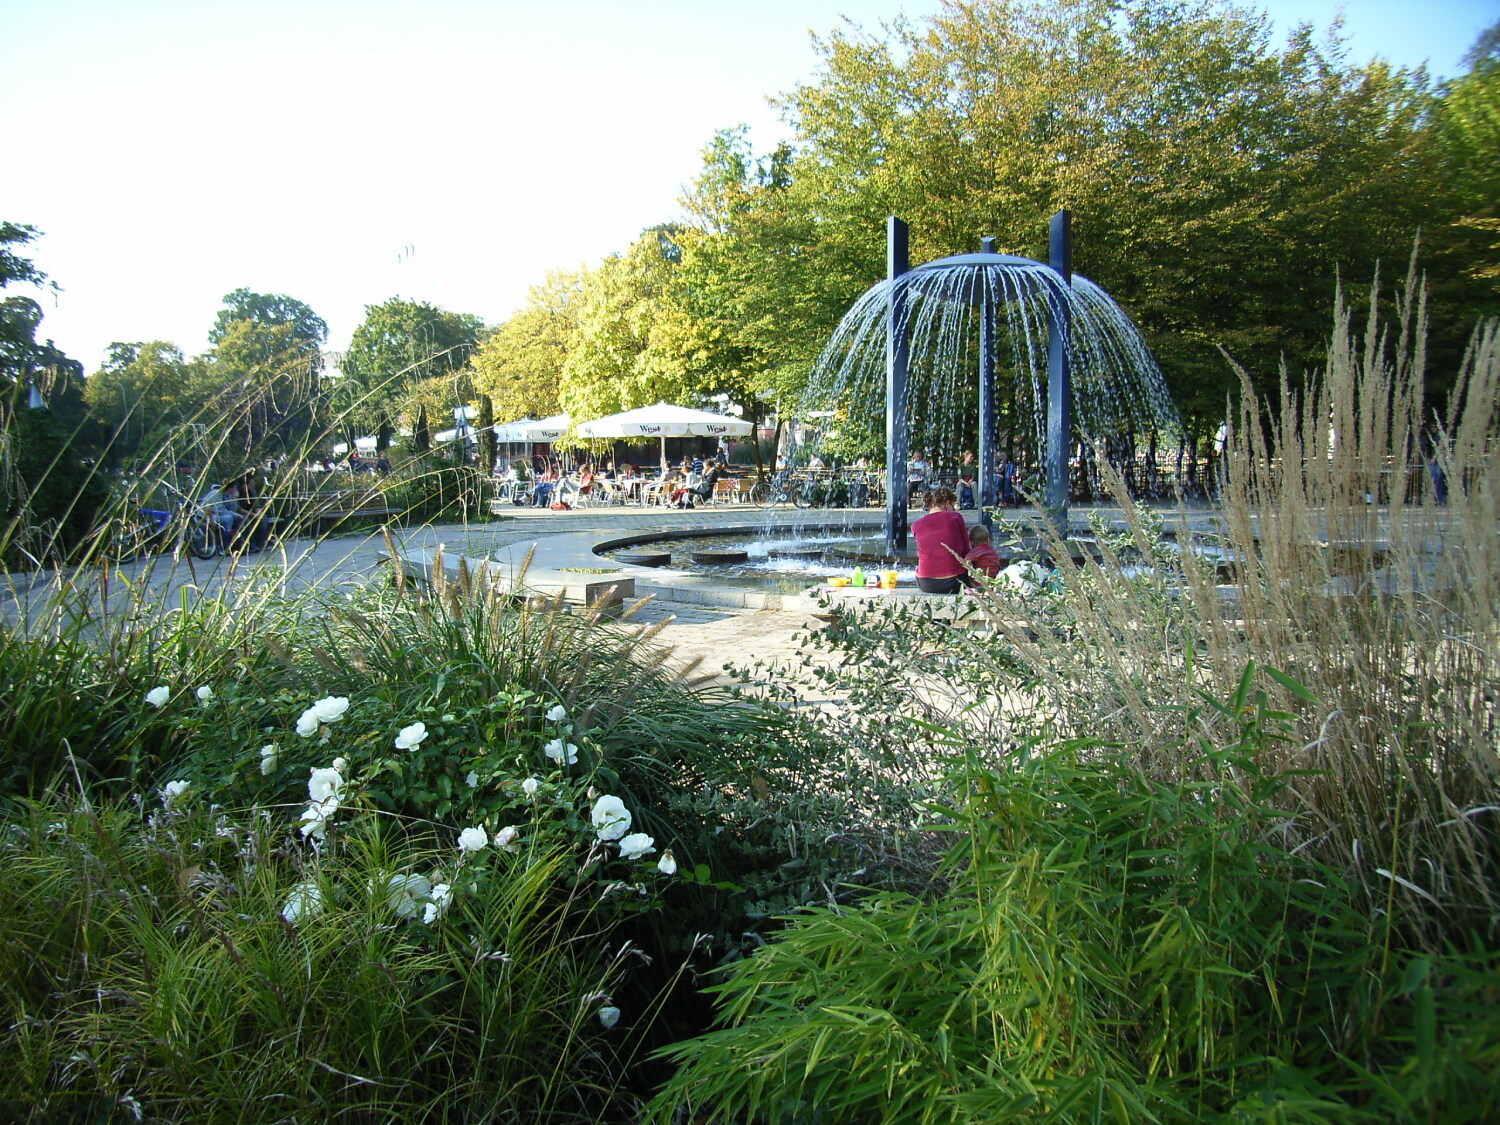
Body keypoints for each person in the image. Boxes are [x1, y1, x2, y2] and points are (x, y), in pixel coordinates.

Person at [911, 486, 968, 594]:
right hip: (955, 582)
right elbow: (966, 550)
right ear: (947, 503)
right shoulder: (955, 517)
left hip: (926, 583)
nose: (954, 509)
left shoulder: (915, 525)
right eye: (953, 505)